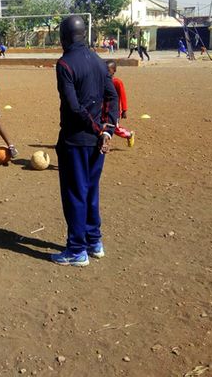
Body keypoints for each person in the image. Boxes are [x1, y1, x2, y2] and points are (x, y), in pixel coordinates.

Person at [52, 15, 118, 267]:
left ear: (64, 37)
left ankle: (77, 250)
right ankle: (94, 242)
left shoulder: (65, 64)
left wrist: (98, 129)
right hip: (98, 143)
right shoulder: (100, 62)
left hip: (76, 141)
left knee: (75, 194)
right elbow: (112, 98)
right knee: (91, 191)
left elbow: (73, 107)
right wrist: (107, 130)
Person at [105, 60, 135, 147]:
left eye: (108, 70)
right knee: (103, 125)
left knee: (114, 127)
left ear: (114, 70)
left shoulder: (117, 82)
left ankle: (129, 135)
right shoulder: (103, 81)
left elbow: (123, 96)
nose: (106, 72)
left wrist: (124, 110)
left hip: (114, 110)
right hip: (104, 109)